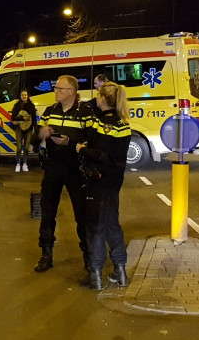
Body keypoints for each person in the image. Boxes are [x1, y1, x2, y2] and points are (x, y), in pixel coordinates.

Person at [33, 75, 96, 273]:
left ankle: (88, 256)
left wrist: (70, 141)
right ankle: (46, 255)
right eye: (56, 88)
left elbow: (92, 139)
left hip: (76, 169)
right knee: (47, 212)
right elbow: (36, 138)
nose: (56, 91)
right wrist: (41, 134)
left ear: (72, 92)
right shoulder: (50, 111)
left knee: (81, 214)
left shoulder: (85, 112)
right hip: (53, 167)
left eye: (60, 89)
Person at [75, 82, 131, 290]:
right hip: (114, 181)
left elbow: (101, 155)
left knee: (95, 227)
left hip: (98, 181)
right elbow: (113, 151)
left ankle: (96, 275)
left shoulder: (103, 124)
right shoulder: (123, 123)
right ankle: (120, 271)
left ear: (104, 100)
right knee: (112, 224)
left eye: (98, 96)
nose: (96, 98)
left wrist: (81, 149)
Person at [11, 89, 37, 172]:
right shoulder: (17, 105)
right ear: (20, 96)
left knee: (26, 148)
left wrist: (35, 128)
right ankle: (18, 164)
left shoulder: (31, 106)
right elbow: (13, 117)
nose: (24, 96)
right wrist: (22, 118)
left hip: (28, 129)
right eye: (22, 95)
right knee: (19, 148)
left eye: (25, 95)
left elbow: (34, 118)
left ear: (28, 96)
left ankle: (25, 164)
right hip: (18, 128)